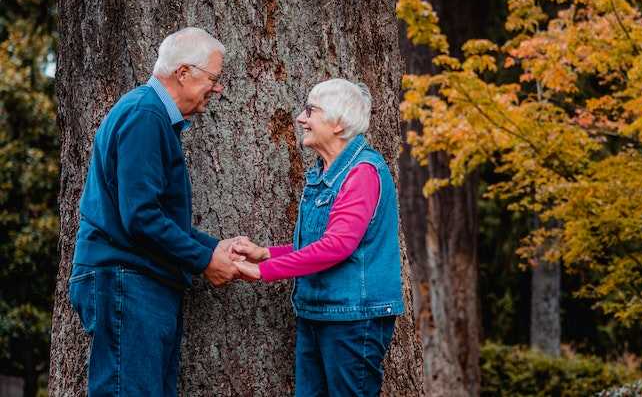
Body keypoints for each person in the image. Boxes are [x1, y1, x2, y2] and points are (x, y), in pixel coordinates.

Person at [68, 27, 244, 396]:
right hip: (127, 279)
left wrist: (214, 249)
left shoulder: (152, 116)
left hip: (137, 280)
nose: (217, 88)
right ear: (183, 73)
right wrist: (204, 260)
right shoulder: (145, 115)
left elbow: (154, 215)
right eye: (214, 78)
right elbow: (141, 218)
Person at [233, 78, 404, 397]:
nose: (301, 118)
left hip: (352, 320)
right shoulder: (326, 172)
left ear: (338, 124)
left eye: (310, 111)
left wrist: (264, 272)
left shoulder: (362, 173)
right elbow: (323, 244)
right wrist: (268, 254)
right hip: (319, 313)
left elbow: (337, 247)